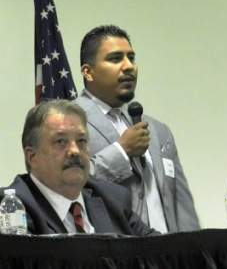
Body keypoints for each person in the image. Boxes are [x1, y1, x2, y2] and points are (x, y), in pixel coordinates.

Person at [74, 25, 200, 233]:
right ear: (88, 72)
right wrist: (121, 152)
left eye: (131, 58)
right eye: (115, 59)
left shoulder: (159, 131)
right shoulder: (69, 124)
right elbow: (67, 185)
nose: (129, 66)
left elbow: (181, 206)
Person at [2, 100, 157, 235]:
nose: (75, 151)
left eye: (81, 141)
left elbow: (162, 252)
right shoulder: (12, 209)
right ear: (32, 157)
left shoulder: (112, 198)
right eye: (61, 142)